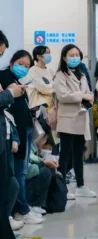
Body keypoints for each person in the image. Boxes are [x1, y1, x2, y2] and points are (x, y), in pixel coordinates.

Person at [0, 50, 45, 225]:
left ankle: (22, 207)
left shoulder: (22, 80)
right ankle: (17, 211)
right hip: (12, 134)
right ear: (12, 62)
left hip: (25, 128)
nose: (23, 68)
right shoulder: (4, 76)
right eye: (20, 64)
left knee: (21, 172)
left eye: (27, 66)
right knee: (14, 175)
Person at [53, 44, 96, 199]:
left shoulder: (82, 75)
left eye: (77, 55)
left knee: (79, 153)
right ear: (64, 58)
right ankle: (62, 186)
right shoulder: (60, 75)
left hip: (80, 117)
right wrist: (82, 96)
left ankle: (81, 185)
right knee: (65, 154)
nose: (74, 58)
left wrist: (89, 96)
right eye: (71, 55)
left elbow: (88, 91)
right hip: (67, 119)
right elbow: (62, 95)